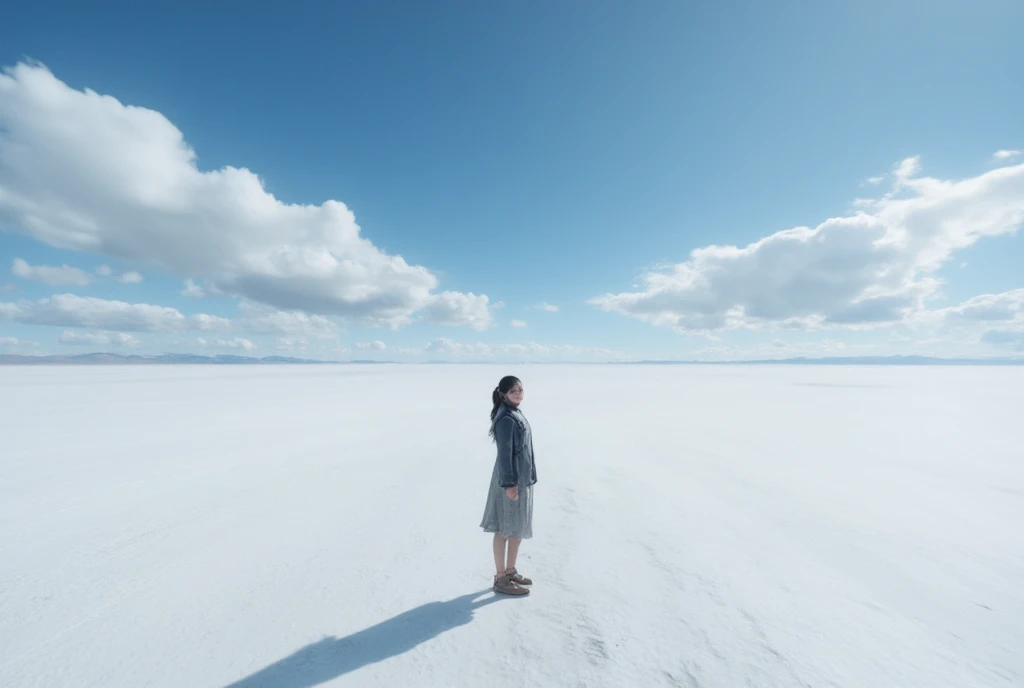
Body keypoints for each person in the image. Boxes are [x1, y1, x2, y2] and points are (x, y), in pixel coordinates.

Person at [479, 375, 537, 596]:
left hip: (520, 479)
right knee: (504, 529)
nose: (519, 394)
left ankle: (511, 571)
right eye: (514, 391)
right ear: (503, 394)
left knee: (516, 529)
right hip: (510, 481)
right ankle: (501, 577)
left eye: (521, 389)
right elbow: (505, 454)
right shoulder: (506, 418)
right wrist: (509, 484)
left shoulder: (514, 412)